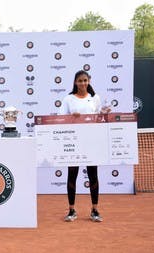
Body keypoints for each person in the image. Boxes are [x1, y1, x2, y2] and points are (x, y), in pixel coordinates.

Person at [59, 70, 110, 223]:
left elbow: (99, 118)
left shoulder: (95, 98)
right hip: (73, 142)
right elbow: (60, 118)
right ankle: (71, 210)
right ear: (75, 82)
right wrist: (70, 117)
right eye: (80, 81)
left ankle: (94, 210)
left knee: (93, 175)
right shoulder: (68, 99)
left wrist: (104, 113)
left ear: (89, 81)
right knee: (72, 175)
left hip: (91, 142)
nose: (82, 83)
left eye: (85, 80)